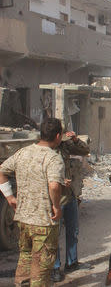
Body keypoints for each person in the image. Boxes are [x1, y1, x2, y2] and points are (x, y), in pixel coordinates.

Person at [0, 118, 65, 286]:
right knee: (41, 273)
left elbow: (1, 171)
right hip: (44, 223)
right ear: (58, 136)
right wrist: (56, 207)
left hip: (24, 221)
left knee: (25, 263)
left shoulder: (23, 152)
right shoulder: (53, 158)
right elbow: (54, 186)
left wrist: (9, 197)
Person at [51, 129, 91, 282]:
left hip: (69, 195)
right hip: (55, 198)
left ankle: (71, 262)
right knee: (55, 235)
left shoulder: (64, 146)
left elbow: (85, 150)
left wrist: (75, 140)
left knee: (73, 230)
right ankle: (55, 267)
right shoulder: (44, 151)